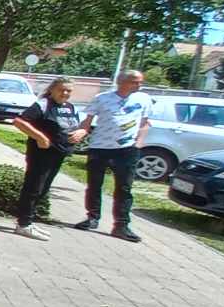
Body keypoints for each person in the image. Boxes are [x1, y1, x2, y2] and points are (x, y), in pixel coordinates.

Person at [73, 70, 152, 243]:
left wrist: (139, 142)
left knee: (124, 188)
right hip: (100, 147)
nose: (139, 85)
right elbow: (88, 120)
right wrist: (81, 131)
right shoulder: (102, 98)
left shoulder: (143, 99)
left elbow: (145, 123)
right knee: (94, 184)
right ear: (121, 81)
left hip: (127, 150)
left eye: (140, 82)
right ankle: (92, 217)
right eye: (135, 82)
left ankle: (121, 225)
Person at [13, 78, 86, 240]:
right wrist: (39, 137)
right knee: (34, 187)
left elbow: (73, 126)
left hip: (59, 153)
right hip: (41, 154)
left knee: (44, 189)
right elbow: (19, 121)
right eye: (62, 90)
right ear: (52, 89)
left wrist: (80, 132)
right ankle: (23, 224)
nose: (65, 93)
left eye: (69, 91)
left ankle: (28, 221)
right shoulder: (43, 104)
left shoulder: (69, 107)